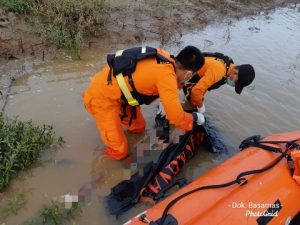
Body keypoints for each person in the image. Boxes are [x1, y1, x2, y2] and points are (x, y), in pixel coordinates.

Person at [83, 46, 205, 160]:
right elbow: (177, 118)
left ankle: (118, 132)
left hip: (122, 97)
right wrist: (194, 117)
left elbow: (167, 84)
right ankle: (105, 170)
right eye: (192, 76)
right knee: (120, 152)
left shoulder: (166, 59)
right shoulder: (167, 75)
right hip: (102, 99)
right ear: (189, 74)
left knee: (139, 128)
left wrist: (166, 102)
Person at [183, 52, 255, 109]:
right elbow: (196, 91)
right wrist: (200, 106)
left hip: (191, 70)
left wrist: (199, 100)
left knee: (195, 101)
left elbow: (205, 86)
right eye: (235, 82)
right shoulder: (219, 71)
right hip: (183, 72)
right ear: (235, 72)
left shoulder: (228, 66)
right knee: (193, 102)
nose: (233, 85)